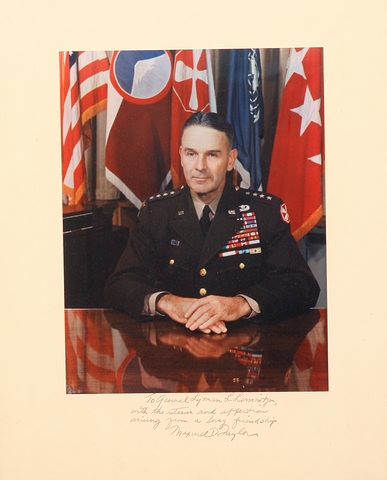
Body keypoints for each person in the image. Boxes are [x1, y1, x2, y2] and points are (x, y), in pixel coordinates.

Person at [104, 112, 320, 334]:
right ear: (180, 155)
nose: (200, 166)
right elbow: (119, 285)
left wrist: (240, 304)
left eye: (213, 155)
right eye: (191, 154)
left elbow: (302, 285)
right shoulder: (156, 212)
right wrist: (168, 302)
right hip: (173, 348)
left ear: (230, 160)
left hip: (244, 344)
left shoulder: (264, 212)